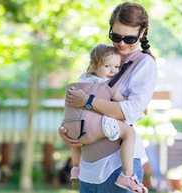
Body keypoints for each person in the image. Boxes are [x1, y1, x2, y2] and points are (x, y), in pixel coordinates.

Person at [59, 2, 157, 193]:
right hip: (88, 169)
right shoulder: (104, 58)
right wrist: (67, 128)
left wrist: (88, 101)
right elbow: (79, 101)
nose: (121, 43)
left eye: (129, 38)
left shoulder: (144, 64)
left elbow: (130, 112)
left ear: (142, 32)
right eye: (116, 36)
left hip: (118, 165)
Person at [67, 43, 143, 192]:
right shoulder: (106, 85)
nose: (113, 71)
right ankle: (127, 175)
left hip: (77, 123)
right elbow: (124, 104)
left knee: (77, 141)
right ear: (94, 66)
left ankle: (76, 169)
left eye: (117, 67)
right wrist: (138, 104)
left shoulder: (83, 79)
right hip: (100, 123)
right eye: (108, 66)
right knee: (129, 133)